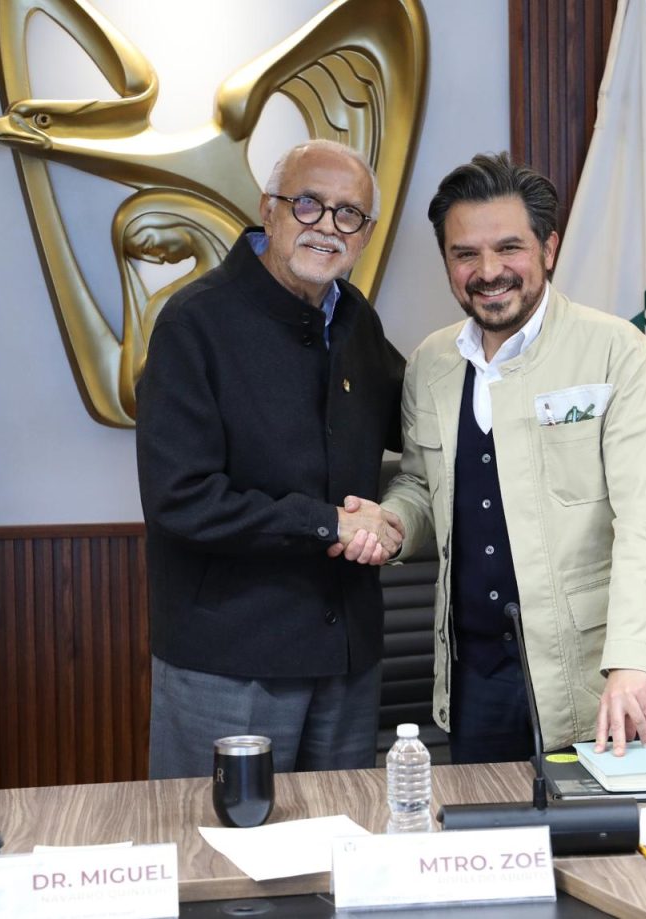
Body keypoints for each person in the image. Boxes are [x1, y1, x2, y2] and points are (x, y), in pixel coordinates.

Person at [345, 152, 646, 763]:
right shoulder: (431, 363)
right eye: (465, 254)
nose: (488, 272)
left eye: (509, 248)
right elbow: (423, 484)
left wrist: (631, 665)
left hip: (598, 676)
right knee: (488, 827)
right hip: (475, 677)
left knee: (602, 830)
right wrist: (391, 521)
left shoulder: (617, 351)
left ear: (548, 248)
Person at [136, 139, 405, 778]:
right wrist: (327, 523)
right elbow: (181, 499)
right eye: (308, 204)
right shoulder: (193, 323)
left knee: (348, 833)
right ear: (269, 209)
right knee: (217, 836)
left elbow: (419, 422)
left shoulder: (356, 320)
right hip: (231, 663)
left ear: (365, 235)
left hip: (346, 660)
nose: (327, 226)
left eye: (349, 214)